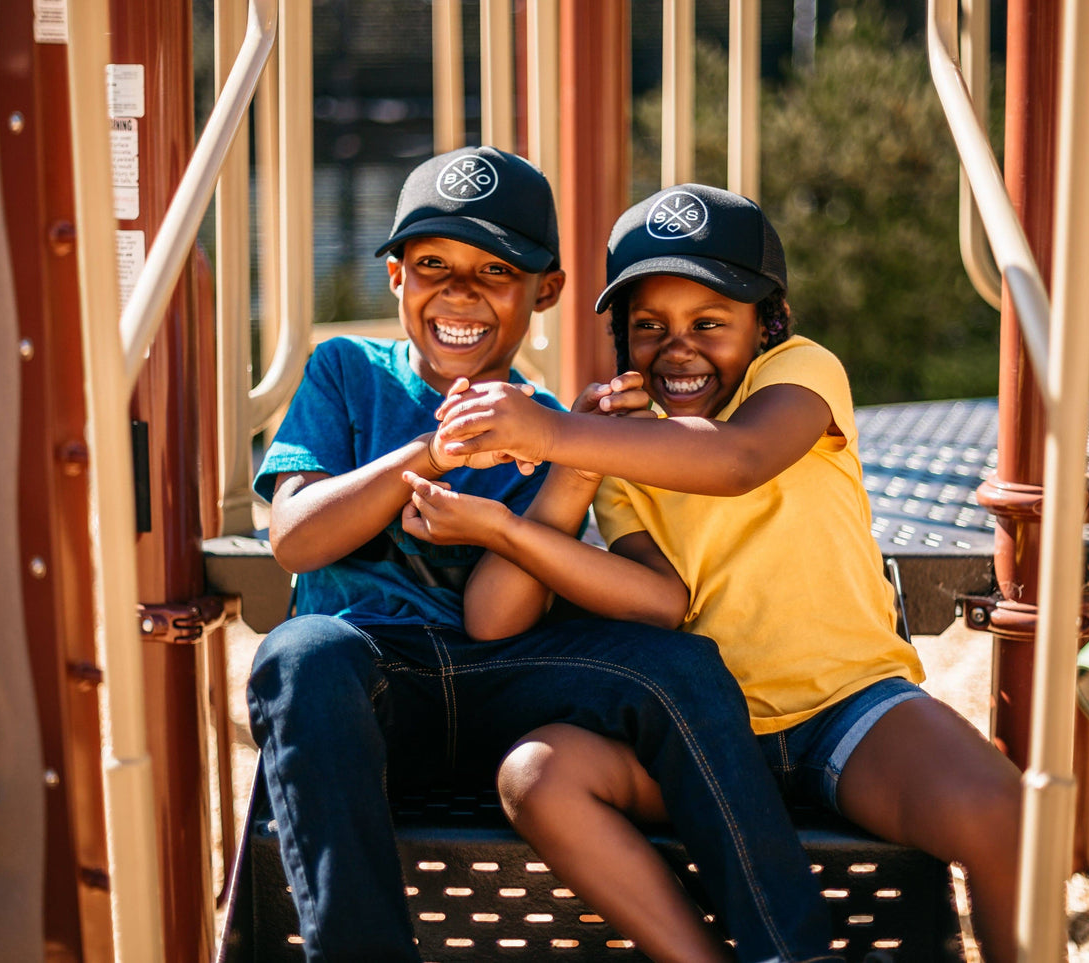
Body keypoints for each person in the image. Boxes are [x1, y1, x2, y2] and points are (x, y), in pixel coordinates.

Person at [403, 183, 1024, 963]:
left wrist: (553, 430)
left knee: (1000, 813)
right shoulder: (621, 454)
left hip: (846, 708)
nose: (678, 348)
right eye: (648, 328)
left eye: (709, 324)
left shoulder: (799, 375)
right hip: (706, 741)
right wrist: (512, 518)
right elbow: (658, 604)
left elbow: (737, 461)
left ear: (766, 324)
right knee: (536, 775)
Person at [246, 152, 838, 963]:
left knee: (676, 663)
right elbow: (296, 536)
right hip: (373, 687)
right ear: (395, 277)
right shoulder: (345, 370)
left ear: (547, 291)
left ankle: (793, 952)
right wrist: (434, 450)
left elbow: (499, 623)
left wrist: (565, 465)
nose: (459, 293)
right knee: (303, 652)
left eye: (495, 270)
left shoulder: (548, 421)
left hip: (498, 683)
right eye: (433, 267)